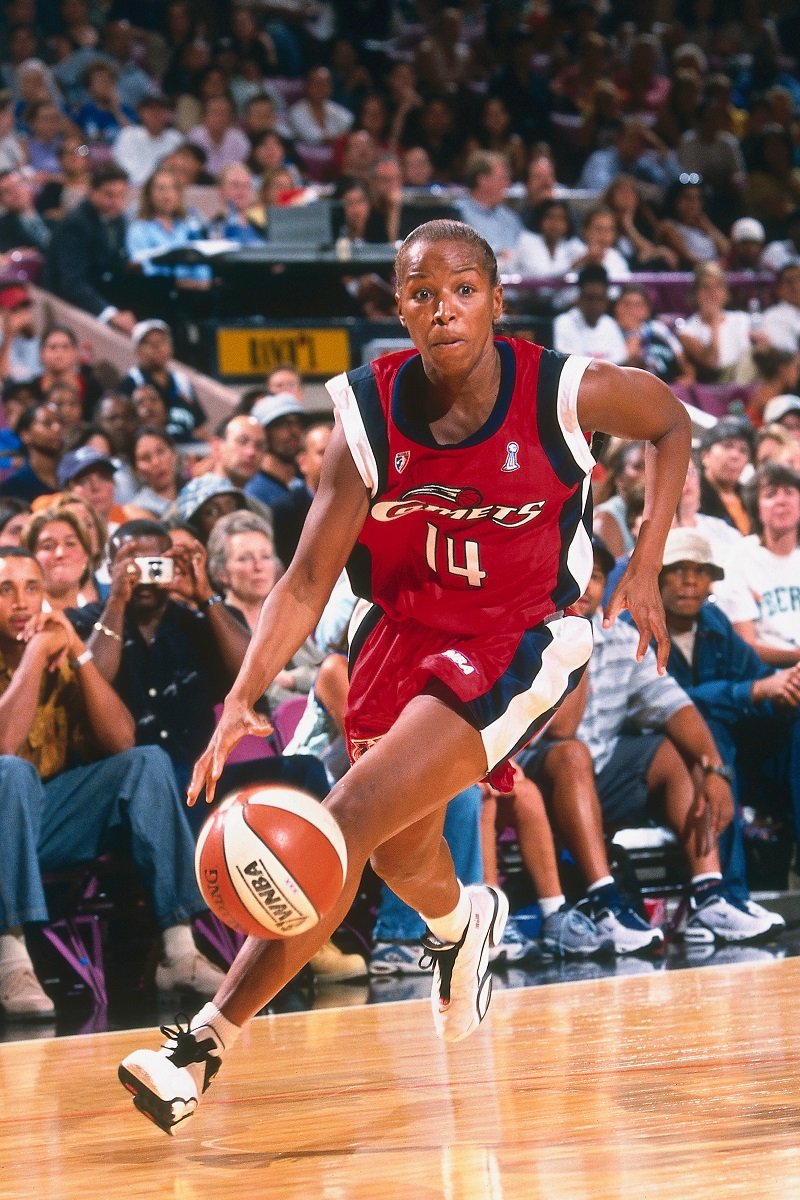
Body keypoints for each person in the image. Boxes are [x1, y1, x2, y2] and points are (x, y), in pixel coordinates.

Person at [118, 218, 691, 1135]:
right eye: (422, 294)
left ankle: (202, 1044)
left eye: (464, 289)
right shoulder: (367, 415)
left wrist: (648, 560)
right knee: (396, 851)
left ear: (497, 301)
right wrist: (243, 695)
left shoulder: (564, 390)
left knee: (339, 824)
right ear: (399, 309)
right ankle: (463, 921)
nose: (444, 309)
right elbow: (306, 580)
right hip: (399, 632)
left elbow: (668, 419)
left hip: (518, 637)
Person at [518, 533, 781, 941]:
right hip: (533, 776)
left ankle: (709, 896)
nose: (587, 587)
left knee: (675, 751)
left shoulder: (622, 637)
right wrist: (575, 642)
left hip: (600, 774)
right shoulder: (529, 635)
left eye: (597, 578)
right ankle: (603, 900)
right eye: (577, 575)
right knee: (572, 753)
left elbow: (675, 705)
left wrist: (717, 771)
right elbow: (563, 730)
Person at [0, 545, 225, 1019]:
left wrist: (78, 651)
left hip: (44, 822)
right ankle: (12, 962)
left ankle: (179, 951)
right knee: (12, 772)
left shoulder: (59, 647)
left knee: (146, 761)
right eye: (5, 590)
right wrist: (37, 653)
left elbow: (121, 739)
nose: (20, 602)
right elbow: (3, 746)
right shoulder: (38, 652)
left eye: (31, 589)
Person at [68, 518, 251, 805]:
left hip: (198, 779)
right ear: (110, 568)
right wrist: (116, 601)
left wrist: (204, 595)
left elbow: (253, 676)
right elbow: (95, 678)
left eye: (154, 564)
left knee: (301, 771)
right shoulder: (83, 623)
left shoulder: (198, 624)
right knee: (158, 770)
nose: (143, 576)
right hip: (129, 786)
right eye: (131, 564)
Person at [658, 525, 799, 887]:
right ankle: (725, 894)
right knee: (711, 736)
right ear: (659, 578)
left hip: (739, 750)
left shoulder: (714, 621)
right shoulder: (638, 627)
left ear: (710, 582)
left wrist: (786, 692)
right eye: (678, 570)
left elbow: (757, 678)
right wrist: (752, 692)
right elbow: (668, 706)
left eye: (700, 571)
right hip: (664, 756)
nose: (690, 580)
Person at [716, 461, 800, 666]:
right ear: (756, 507)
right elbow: (746, 645)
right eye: (771, 494)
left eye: (789, 492)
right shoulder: (740, 557)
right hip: (770, 675)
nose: (781, 501)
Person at [43, 161, 138, 335]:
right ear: (92, 192)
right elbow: (72, 283)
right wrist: (110, 314)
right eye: (110, 195)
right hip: (67, 306)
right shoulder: (76, 224)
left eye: (121, 196)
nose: (117, 203)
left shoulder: (119, 220)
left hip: (102, 296)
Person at [118, 319, 208, 444]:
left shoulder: (182, 382)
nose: (158, 348)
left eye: (162, 341)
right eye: (150, 344)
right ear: (137, 350)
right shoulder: (130, 383)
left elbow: (200, 427)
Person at [552, 264, 628, 364]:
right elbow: (572, 365)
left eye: (600, 299)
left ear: (606, 300)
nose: (595, 305)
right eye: (590, 298)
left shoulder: (609, 323)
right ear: (580, 298)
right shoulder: (563, 323)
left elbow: (620, 359)